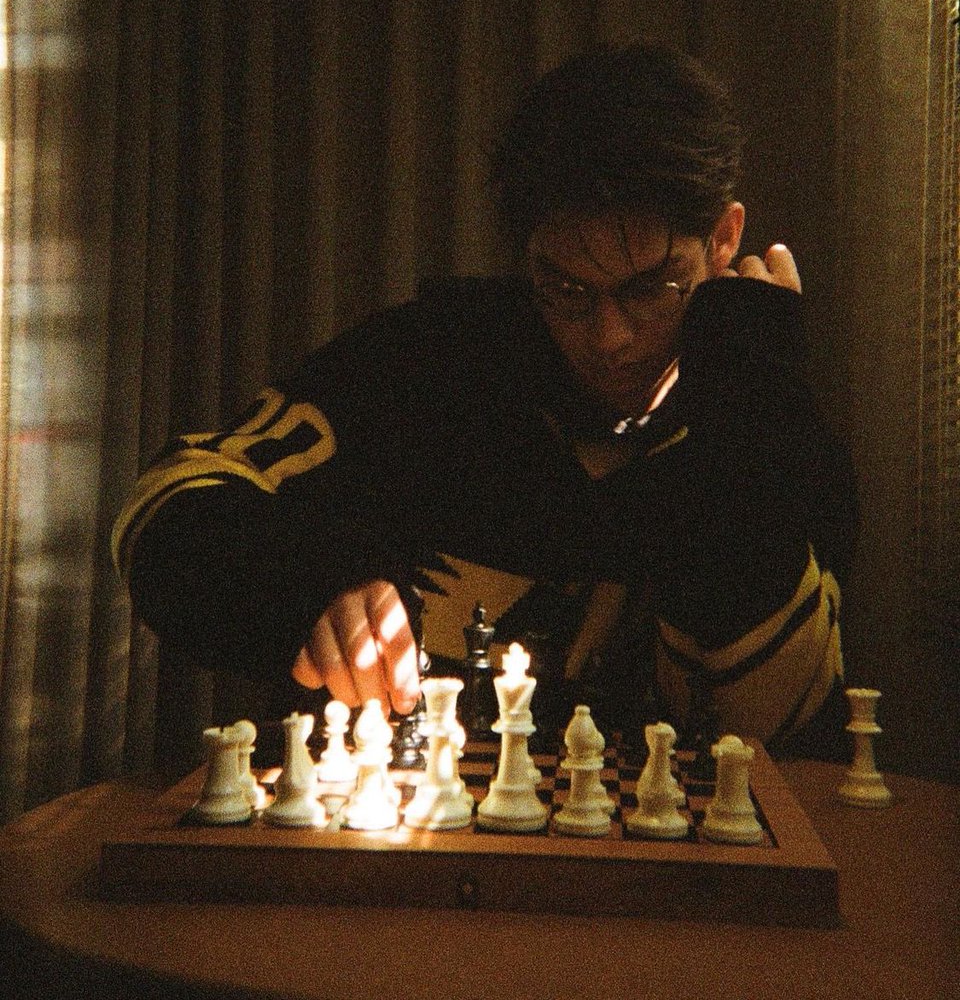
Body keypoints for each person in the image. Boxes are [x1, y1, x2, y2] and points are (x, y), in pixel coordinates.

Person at [112, 42, 857, 756]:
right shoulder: (424, 363)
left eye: (650, 288)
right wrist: (303, 586)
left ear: (723, 239)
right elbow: (167, 502)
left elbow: (767, 721)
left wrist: (741, 420)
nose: (609, 337)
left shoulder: (769, 419)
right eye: (566, 289)